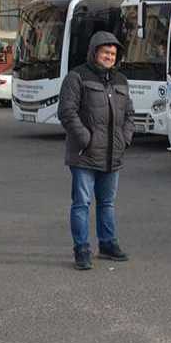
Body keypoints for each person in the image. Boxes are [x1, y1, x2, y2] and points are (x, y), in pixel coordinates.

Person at [58, 31, 135, 270]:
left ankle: (108, 243)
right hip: (85, 154)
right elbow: (67, 112)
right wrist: (86, 140)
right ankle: (82, 249)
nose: (109, 56)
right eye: (105, 52)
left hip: (113, 153)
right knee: (82, 203)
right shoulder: (76, 77)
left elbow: (129, 115)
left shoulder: (121, 80)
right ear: (94, 52)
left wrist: (125, 138)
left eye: (113, 53)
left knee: (107, 203)